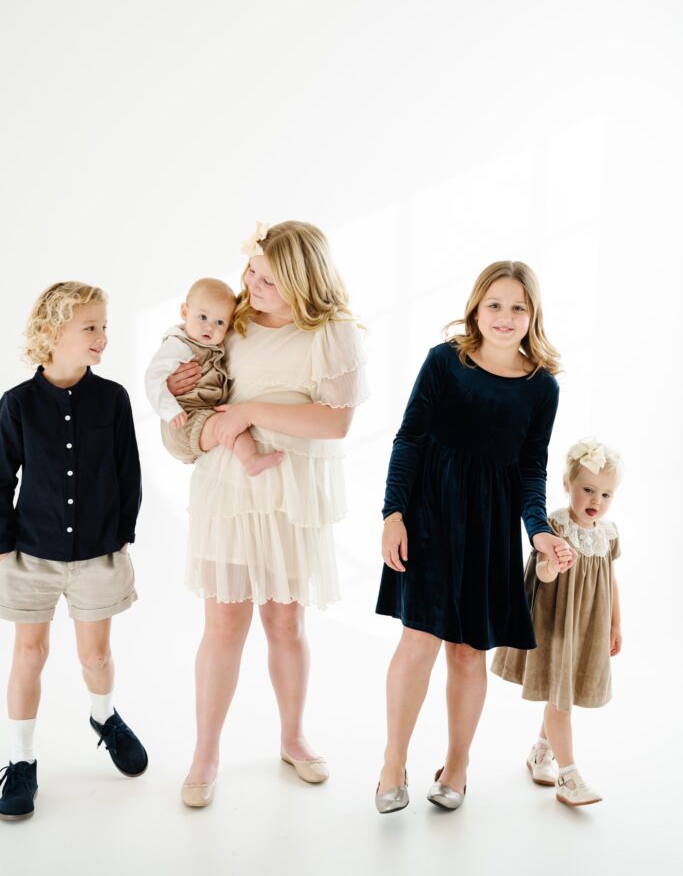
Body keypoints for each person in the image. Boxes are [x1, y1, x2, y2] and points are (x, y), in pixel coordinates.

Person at [167, 221, 367, 807]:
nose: (254, 286)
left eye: (271, 281)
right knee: (224, 624)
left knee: (285, 621)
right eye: (252, 273)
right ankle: (206, 752)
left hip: (291, 488)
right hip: (229, 489)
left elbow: (335, 422)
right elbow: (191, 376)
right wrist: (181, 385)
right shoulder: (235, 321)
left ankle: (293, 736)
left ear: (305, 282)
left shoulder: (333, 333)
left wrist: (251, 409)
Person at [374, 260, 574, 814]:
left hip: (488, 532)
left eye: (517, 307)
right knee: (417, 642)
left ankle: (457, 764)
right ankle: (393, 762)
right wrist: (394, 513)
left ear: (532, 315)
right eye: (495, 305)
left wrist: (537, 532)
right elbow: (409, 438)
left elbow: (531, 471)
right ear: (476, 308)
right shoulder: (444, 364)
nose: (505, 317)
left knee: (468, 654)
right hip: (429, 520)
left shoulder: (542, 389)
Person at [0, 282, 147, 822]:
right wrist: (1, 550)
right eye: (91, 327)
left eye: (105, 326)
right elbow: (0, 478)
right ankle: (20, 762)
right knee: (29, 655)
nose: (103, 337)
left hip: (97, 555)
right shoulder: (16, 403)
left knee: (96, 657)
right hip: (30, 554)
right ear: (52, 332)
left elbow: (129, 471)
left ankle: (104, 717)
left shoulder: (112, 398)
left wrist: (120, 532)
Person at [491, 437, 623, 806]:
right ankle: (569, 775)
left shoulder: (609, 534)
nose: (596, 501)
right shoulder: (555, 527)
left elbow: (610, 580)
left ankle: (540, 752)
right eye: (588, 490)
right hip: (557, 625)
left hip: (588, 627)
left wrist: (615, 624)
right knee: (561, 699)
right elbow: (542, 575)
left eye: (606, 494)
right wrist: (553, 564)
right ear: (568, 485)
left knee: (562, 693)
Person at [144, 276, 282, 475]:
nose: (209, 327)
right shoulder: (178, 345)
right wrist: (170, 410)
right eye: (202, 317)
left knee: (231, 422)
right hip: (183, 421)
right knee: (228, 423)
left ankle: (251, 459)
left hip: (203, 416)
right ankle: (251, 459)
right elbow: (153, 377)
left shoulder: (215, 344)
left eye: (219, 322)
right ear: (185, 312)